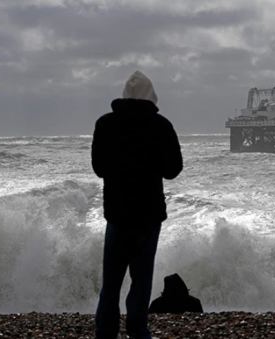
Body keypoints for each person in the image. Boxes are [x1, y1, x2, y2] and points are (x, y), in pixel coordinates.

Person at [92, 70, 183, 339]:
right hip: (149, 214)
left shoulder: (105, 124)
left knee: (111, 281)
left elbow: (99, 168)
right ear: (151, 95)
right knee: (141, 279)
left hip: (117, 213)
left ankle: (105, 331)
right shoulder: (161, 125)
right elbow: (173, 169)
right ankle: (137, 329)